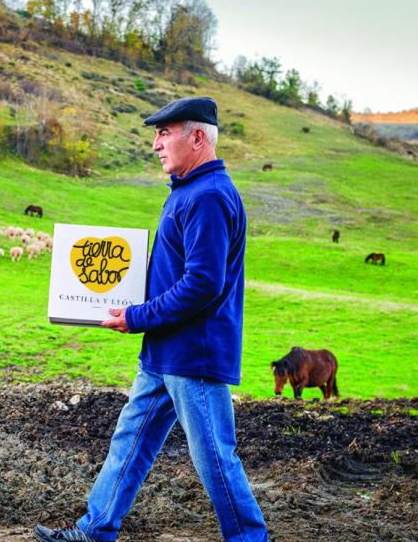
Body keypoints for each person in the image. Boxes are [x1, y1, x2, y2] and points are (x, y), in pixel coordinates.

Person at [33, 97, 269, 542]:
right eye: (156, 135)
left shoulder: (208, 197)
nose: (156, 144)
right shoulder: (188, 191)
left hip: (193, 356)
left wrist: (138, 316)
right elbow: (174, 272)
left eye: (165, 133)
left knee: (215, 457)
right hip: (164, 351)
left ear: (197, 137)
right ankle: (96, 530)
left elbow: (203, 284)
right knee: (132, 440)